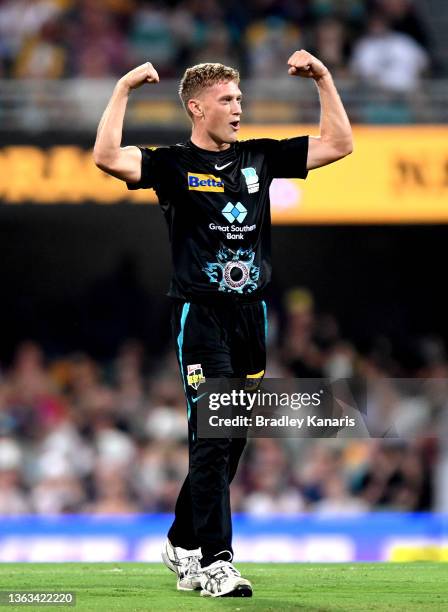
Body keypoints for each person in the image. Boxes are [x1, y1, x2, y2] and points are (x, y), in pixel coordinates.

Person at [93, 49, 352, 598]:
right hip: (201, 316)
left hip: (251, 318)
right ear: (196, 108)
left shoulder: (259, 157)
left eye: (239, 98)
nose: (238, 108)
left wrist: (324, 80)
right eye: (226, 100)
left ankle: (182, 540)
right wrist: (123, 89)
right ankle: (216, 561)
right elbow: (106, 157)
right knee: (211, 438)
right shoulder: (171, 165)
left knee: (232, 437)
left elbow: (339, 144)